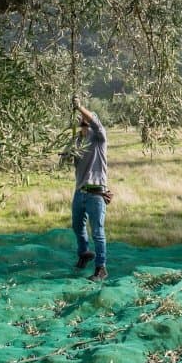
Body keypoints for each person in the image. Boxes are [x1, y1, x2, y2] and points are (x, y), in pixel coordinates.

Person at [71, 97, 109, 282]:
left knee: (97, 232)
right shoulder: (78, 141)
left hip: (96, 193)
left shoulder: (99, 138)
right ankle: (84, 253)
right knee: (77, 226)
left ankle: (101, 268)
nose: (84, 123)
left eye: (86, 120)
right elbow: (68, 158)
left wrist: (79, 107)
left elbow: (94, 121)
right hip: (80, 192)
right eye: (82, 122)